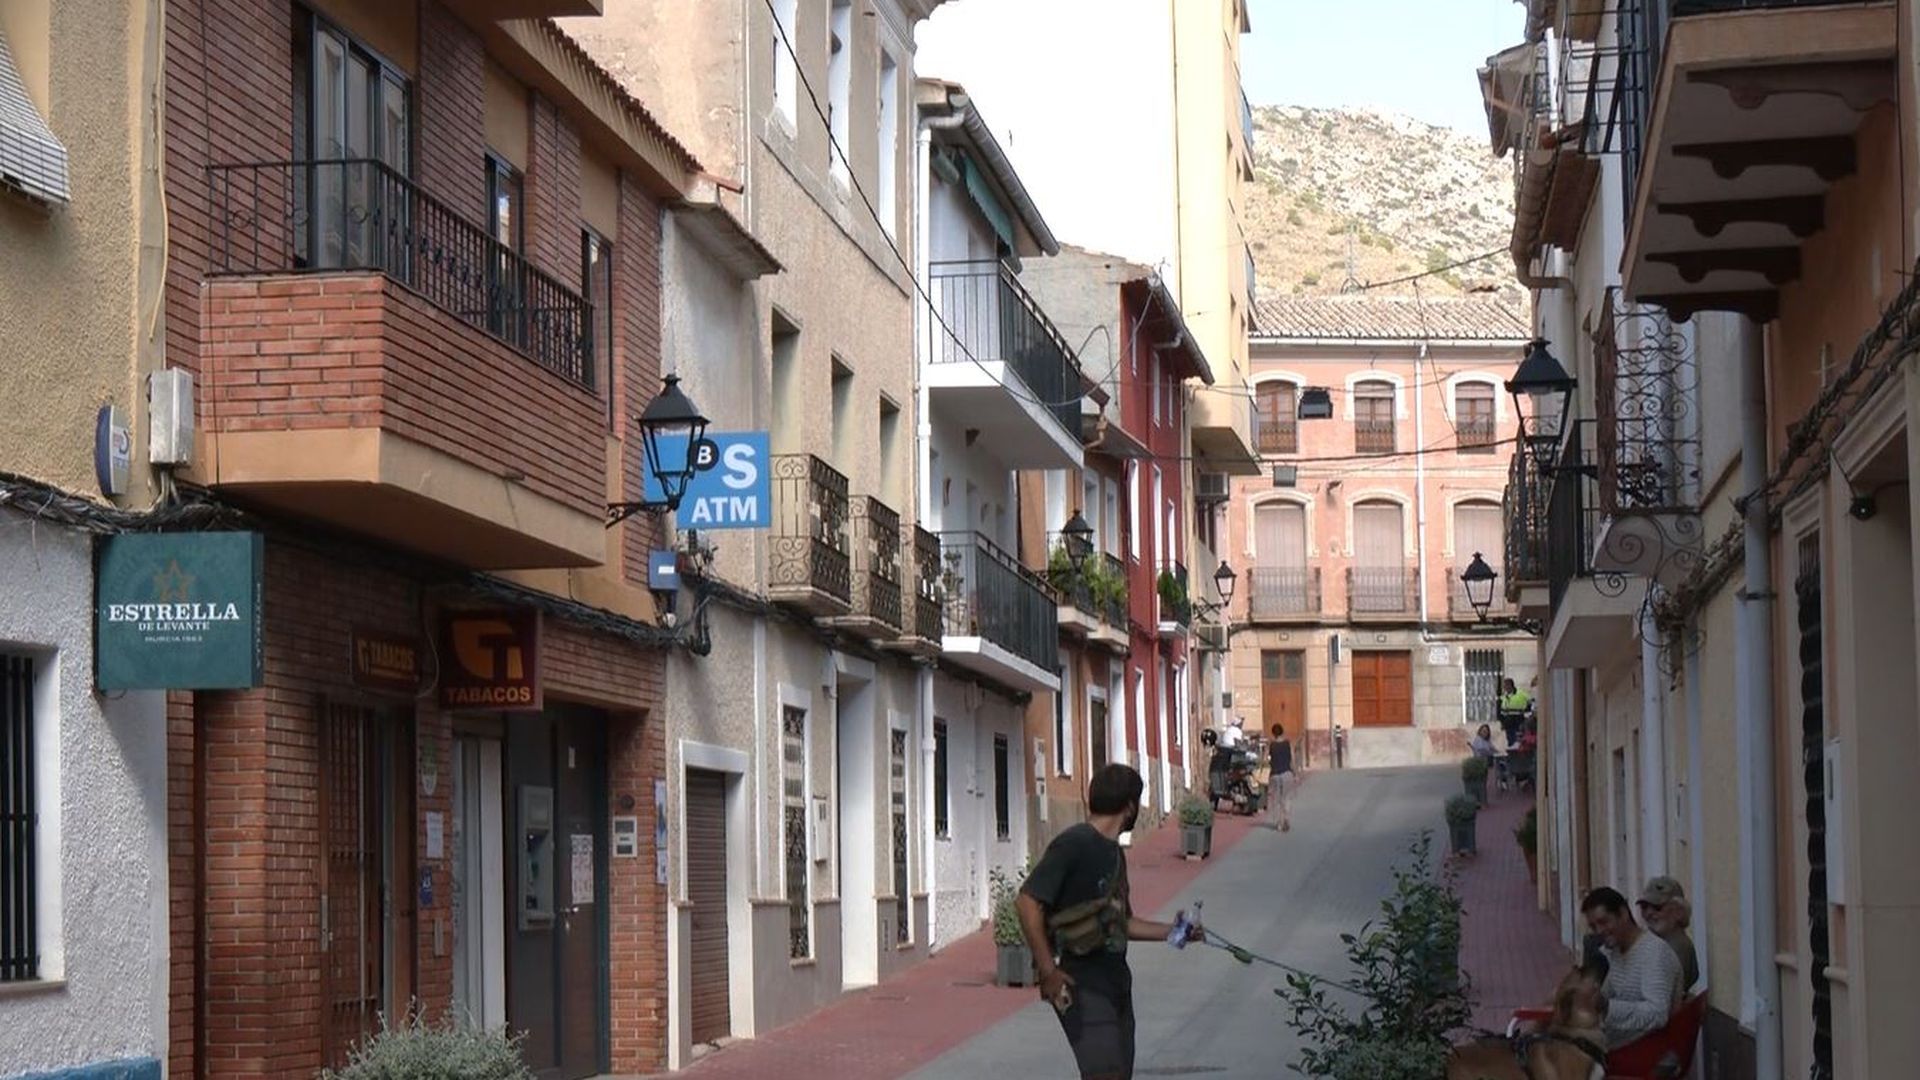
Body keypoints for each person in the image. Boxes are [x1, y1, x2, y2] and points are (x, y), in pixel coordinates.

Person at [1019, 764, 1204, 1079]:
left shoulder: (1114, 854)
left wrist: (1176, 932)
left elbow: (1123, 923)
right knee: (1105, 1073)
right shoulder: (1074, 843)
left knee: (1118, 1073)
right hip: (1081, 981)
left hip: (1116, 980)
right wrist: (1048, 971)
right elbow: (1027, 902)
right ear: (1130, 806)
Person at [1582, 886, 1682, 1048]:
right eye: (1593, 927)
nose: (1599, 931)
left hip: (1645, 1052)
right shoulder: (1616, 952)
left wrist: (1606, 1006)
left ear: (1623, 913)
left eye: (1604, 922)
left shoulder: (1654, 952)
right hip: (1619, 1045)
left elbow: (1657, 1014)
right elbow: (1605, 995)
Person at [1638, 876, 1701, 992]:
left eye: (1657, 907)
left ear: (1679, 911)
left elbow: (1661, 991)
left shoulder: (1678, 946)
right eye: (1644, 907)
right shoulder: (1657, 944)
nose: (1649, 913)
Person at [1266, 725, 1294, 831]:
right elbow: (1292, 759)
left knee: (1276, 799)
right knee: (1286, 797)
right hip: (1287, 773)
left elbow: (1266, 759)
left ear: (1273, 733)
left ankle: (1279, 822)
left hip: (1275, 774)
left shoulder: (1271, 745)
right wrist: (1295, 773)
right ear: (1282, 732)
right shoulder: (1288, 743)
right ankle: (1286, 818)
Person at [1498, 678, 1533, 748]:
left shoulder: (1521, 693)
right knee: (1511, 741)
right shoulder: (1503, 697)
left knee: (1520, 739)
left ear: (1511, 685)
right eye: (1504, 686)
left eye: (1506, 685)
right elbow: (1501, 711)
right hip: (1508, 722)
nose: (1505, 687)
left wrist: (1528, 714)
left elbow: (1531, 702)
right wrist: (1502, 722)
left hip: (1519, 719)